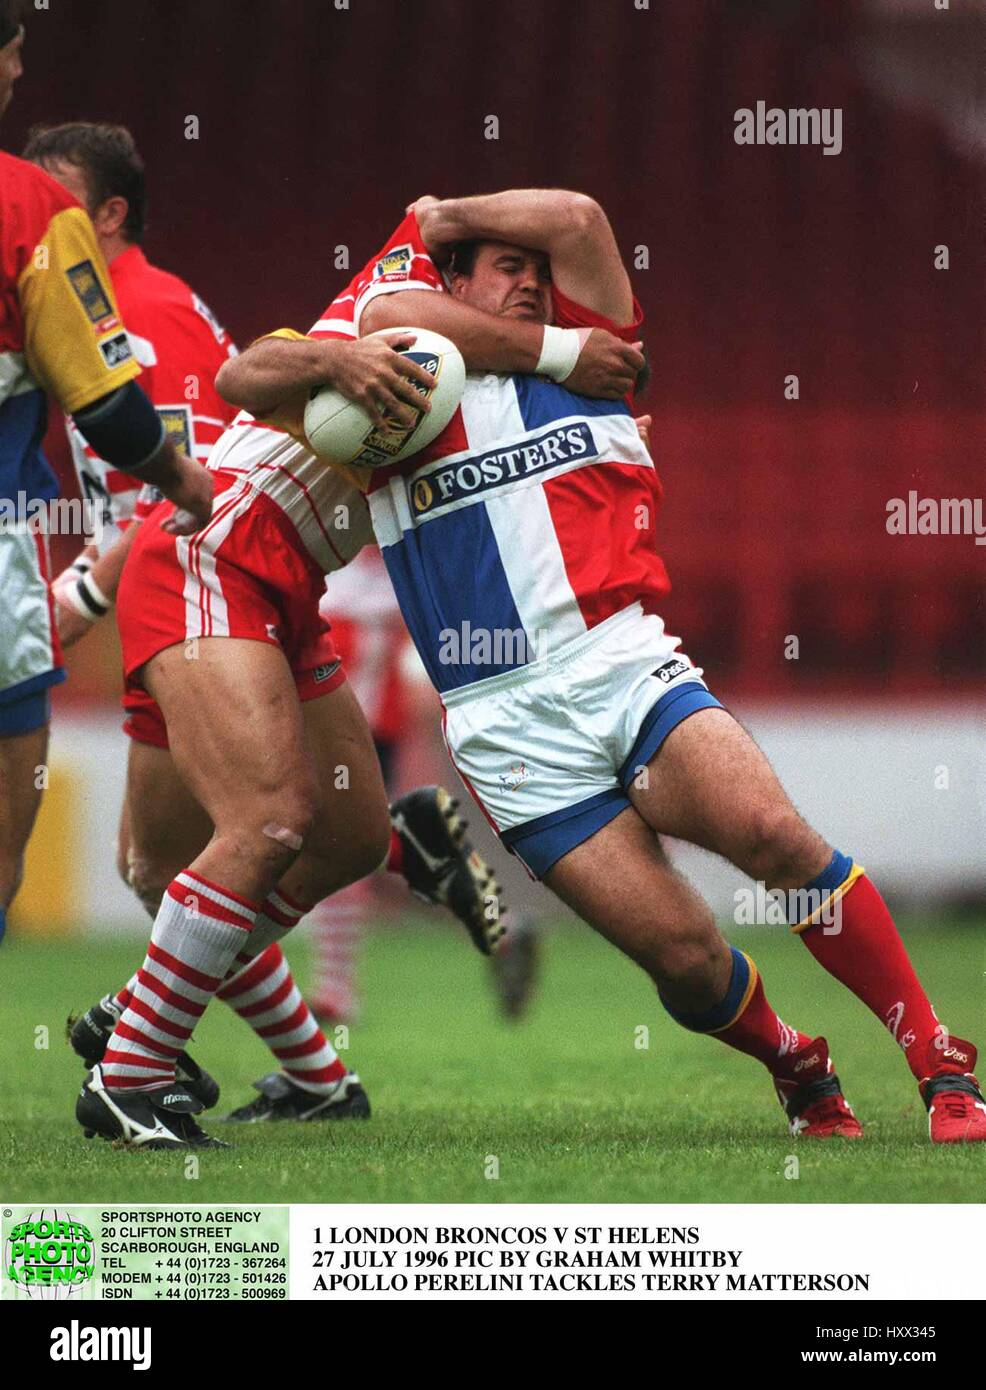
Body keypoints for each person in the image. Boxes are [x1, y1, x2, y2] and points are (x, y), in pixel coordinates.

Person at [218, 187, 986, 1144]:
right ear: (450, 279)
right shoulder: (398, 390)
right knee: (685, 956)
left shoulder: (600, 356)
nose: (537, 282)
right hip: (505, 725)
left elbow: (577, 219)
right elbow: (251, 374)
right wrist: (370, 319)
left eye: (540, 275)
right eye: (508, 268)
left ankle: (938, 1061)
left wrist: (445, 214)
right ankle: (795, 1058)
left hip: (621, 661)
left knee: (772, 833)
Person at [0, 5, 210, 950]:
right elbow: (116, 415)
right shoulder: (33, 211)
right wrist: (188, 484)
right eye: (13, 55)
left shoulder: (157, 306)